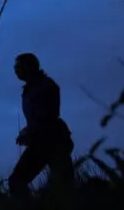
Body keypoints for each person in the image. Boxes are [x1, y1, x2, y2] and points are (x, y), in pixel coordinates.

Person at [8, 53, 75, 199]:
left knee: (63, 187)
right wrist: (28, 130)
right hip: (42, 141)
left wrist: (29, 131)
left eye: (18, 66)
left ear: (29, 67)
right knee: (17, 181)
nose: (15, 70)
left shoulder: (45, 85)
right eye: (15, 67)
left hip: (53, 141)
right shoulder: (32, 88)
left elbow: (48, 115)